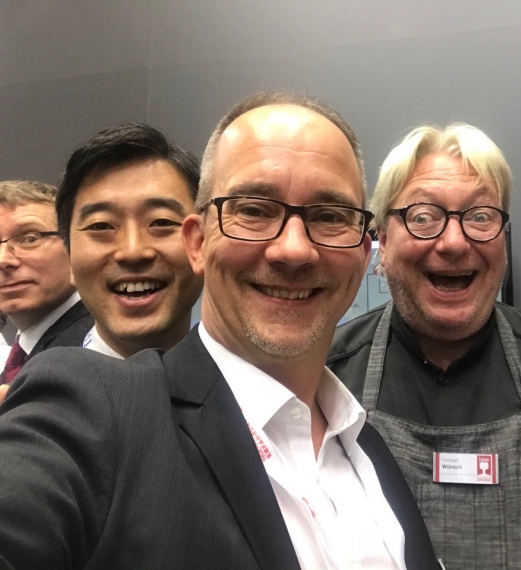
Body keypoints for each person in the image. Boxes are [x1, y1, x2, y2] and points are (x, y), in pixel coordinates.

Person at [0, 92, 437, 570]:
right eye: (254, 210)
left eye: (329, 216)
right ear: (197, 242)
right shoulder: (96, 408)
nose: (293, 250)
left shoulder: (365, 442)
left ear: (362, 252)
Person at [328, 124, 521, 570]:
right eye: (422, 217)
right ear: (383, 242)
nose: (453, 242)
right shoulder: (323, 380)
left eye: (481, 216)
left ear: (503, 240)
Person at [55, 123, 204, 358]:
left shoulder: (250, 378)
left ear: (202, 243)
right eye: (101, 226)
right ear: (69, 254)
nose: (133, 251)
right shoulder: (41, 379)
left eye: (161, 222)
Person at [0, 180, 93, 386]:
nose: (3, 260)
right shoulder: (26, 353)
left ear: (74, 246)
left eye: (30, 239)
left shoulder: (101, 347)